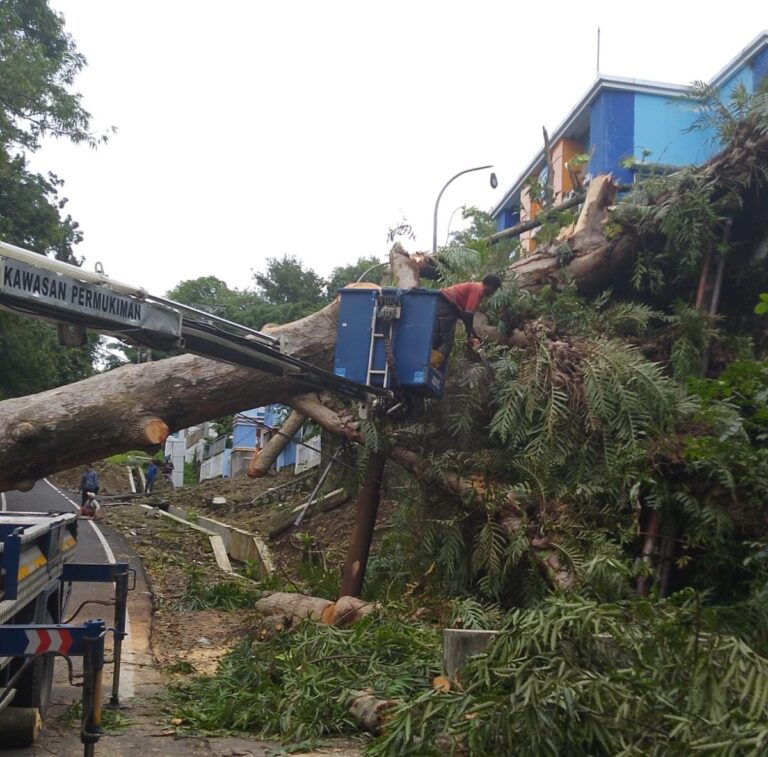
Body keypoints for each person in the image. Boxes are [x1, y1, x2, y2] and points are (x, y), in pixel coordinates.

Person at [433, 274, 502, 366]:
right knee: (448, 342)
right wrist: (469, 335)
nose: (494, 292)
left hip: (441, 303)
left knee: (437, 338)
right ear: (492, 286)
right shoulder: (478, 289)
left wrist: (474, 335)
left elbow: (465, 316)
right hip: (447, 306)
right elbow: (468, 314)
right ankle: (432, 365)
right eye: (495, 289)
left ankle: (429, 362)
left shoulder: (475, 288)